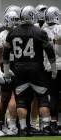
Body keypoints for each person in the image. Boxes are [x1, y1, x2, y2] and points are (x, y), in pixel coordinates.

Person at [3, 6, 56, 136]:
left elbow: (6, 53)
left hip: (19, 68)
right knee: (43, 98)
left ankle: (23, 128)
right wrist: (53, 69)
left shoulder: (12, 33)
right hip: (36, 68)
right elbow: (49, 51)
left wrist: (6, 71)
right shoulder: (39, 32)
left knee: (20, 100)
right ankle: (46, 127)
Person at [0, 10, 19, 136]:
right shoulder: (3, 36)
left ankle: (12, 124)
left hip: (15, 66)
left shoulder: (2, 35)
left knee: (13, 97)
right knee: (7, 97)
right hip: (10, 65)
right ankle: (4, 124)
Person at [43, 6, 61, 135]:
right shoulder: (60, 28)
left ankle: (53, 123)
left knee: (53, 96)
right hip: (60, 66)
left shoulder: (42, 30)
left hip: (47, 67)